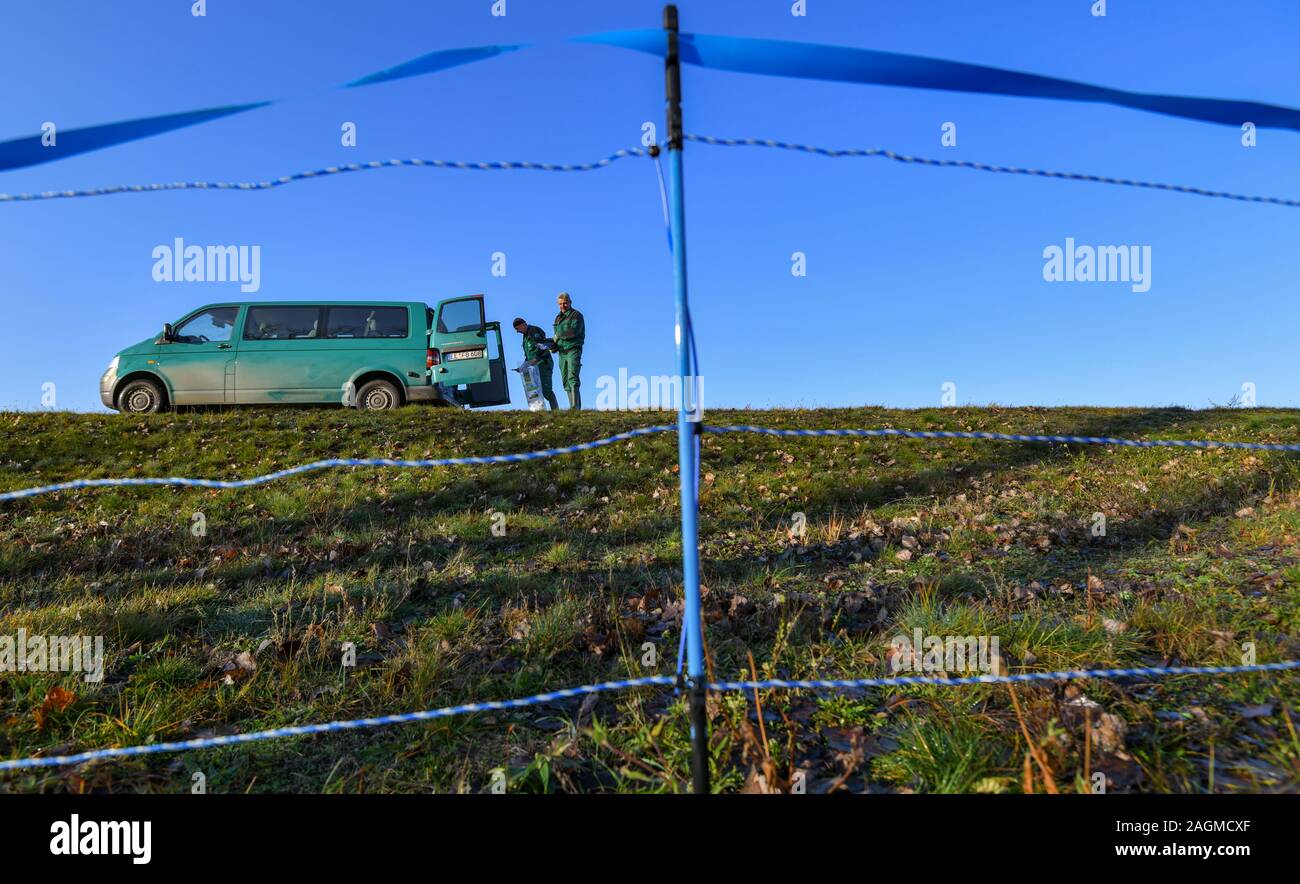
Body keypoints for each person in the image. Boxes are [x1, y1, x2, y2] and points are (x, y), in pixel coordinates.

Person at [512, 317, 560, 411]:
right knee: (534, 391)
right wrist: (523, 366)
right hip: (533, 367)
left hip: (543, 364)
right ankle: (540, 411)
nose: (517, 332)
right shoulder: (525, 337)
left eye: (517, 329)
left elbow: (543, 347)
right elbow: (529, 355)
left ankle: (556, 412)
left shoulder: (534, 331)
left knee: (546, 390)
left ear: (522, 325)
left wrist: (536, 359)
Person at [552, 292, 585, 409]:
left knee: (573, 378)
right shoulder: (557, 318)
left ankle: (575, 408)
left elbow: (573, 331)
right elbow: (556, 337)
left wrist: (558, 335)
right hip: (562, 352)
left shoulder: (576, 315)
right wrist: (552, 346)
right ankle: (572, 407)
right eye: (560, 304)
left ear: (570, 302)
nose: (563, 306)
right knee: (565, 380)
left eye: (565, 303)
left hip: (573, 350)